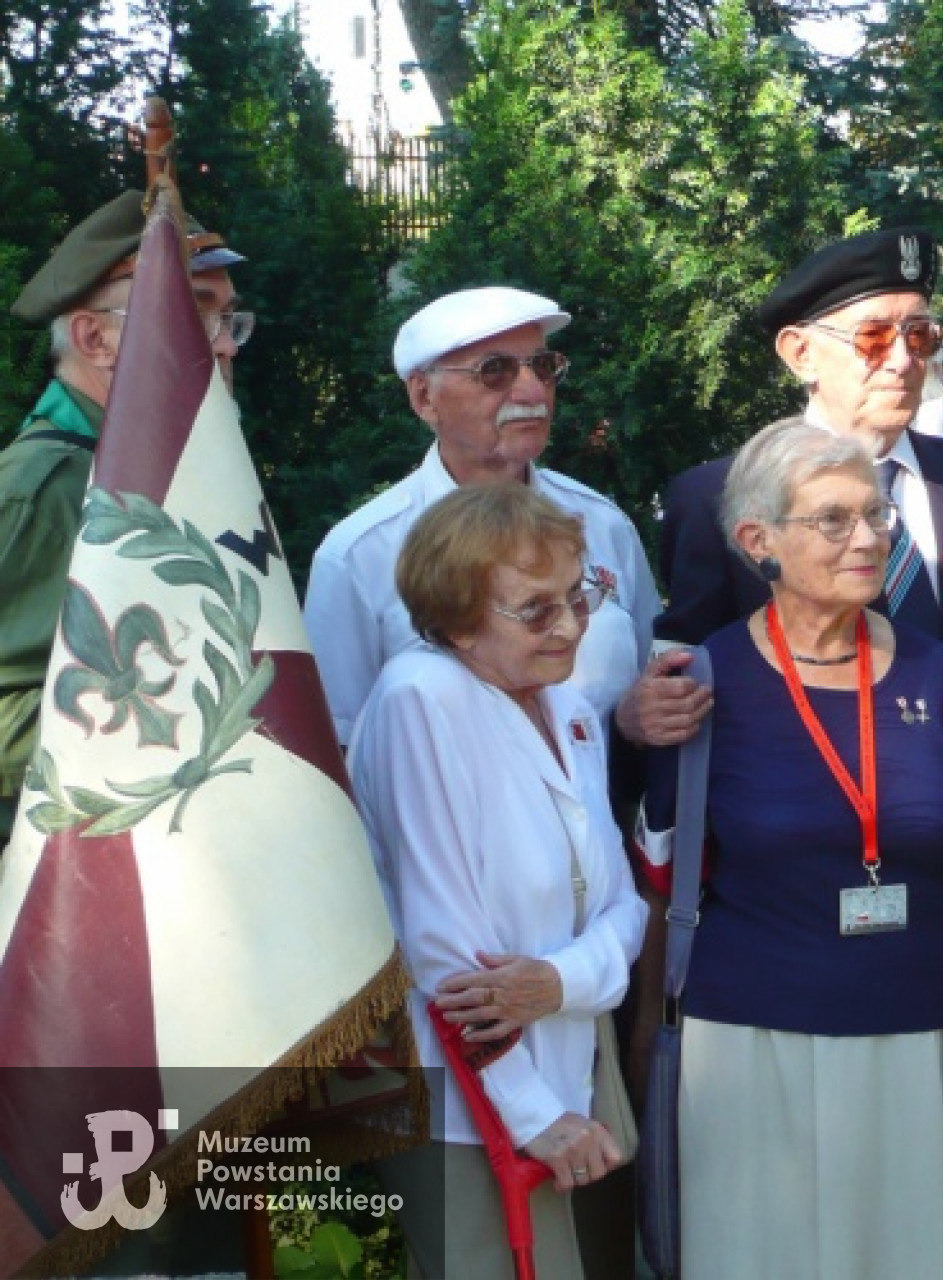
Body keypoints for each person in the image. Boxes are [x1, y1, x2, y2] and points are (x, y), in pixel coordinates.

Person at [638, 418, 943, 1278]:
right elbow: (658, 879)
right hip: (755, 1050)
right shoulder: (704, 682)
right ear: (759, 543)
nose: (866, 539)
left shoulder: (939, 675)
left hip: (930, 1044)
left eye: (875, 516)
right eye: (833, 520)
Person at [638, 227, 943, 957]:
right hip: (796, 898)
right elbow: (682, 705)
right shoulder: (720, 499)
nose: (904, 360)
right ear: (800, 354)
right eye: (875, 336)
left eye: (921, 335)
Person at [349, 484, 646, 1280]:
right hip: (465, 1101)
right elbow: (444, 949)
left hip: (570, 1068)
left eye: (576, 597)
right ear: (453, 618)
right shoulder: (424, 697)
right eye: (535, 609)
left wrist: (559, 983)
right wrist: (533, 1115)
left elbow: (623, 907)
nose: (572, 625)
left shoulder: (569, 706)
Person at [305, 286, 661, 747]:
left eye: (544, 366)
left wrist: (633, 718)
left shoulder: (600, 520)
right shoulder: (361, 554)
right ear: (424, 398)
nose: (532, 390)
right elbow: (340, 742)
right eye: (495, 371)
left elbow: (648, 675)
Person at [1, 190, 245, 849]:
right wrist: (154, 718)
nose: (224, 348)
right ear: (94, 338)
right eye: (191, 313)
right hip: (49, 892)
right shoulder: (38, 492)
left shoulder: (180, 481)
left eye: (229, 320)